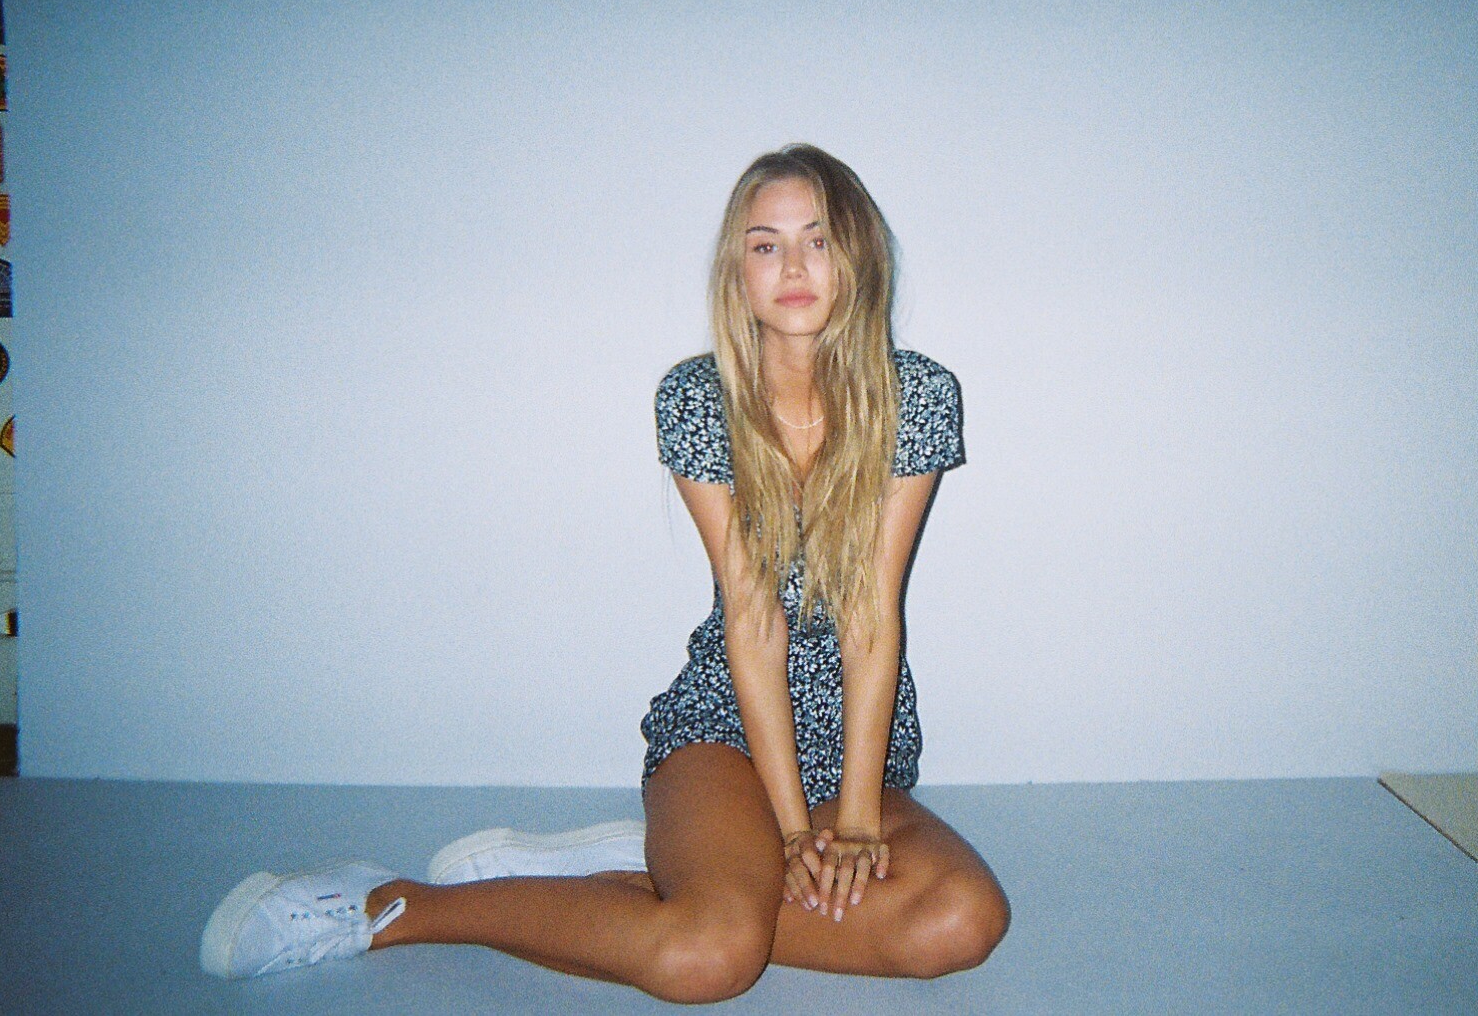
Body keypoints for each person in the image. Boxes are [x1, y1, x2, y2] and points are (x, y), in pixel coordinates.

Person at [200, 144, 1010, 1001]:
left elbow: (870, 616)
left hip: (856, 740)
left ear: (858, 254)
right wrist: (784, 831)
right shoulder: (699, 399)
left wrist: (854, 820)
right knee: (707, 957)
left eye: (818, 239)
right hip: (729, 727)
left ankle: (667, 877)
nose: (794, 266)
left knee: (959, 921)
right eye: (765, 245)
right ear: (737, 272)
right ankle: (398, 905)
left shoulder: (917, 397)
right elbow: (754, 619)